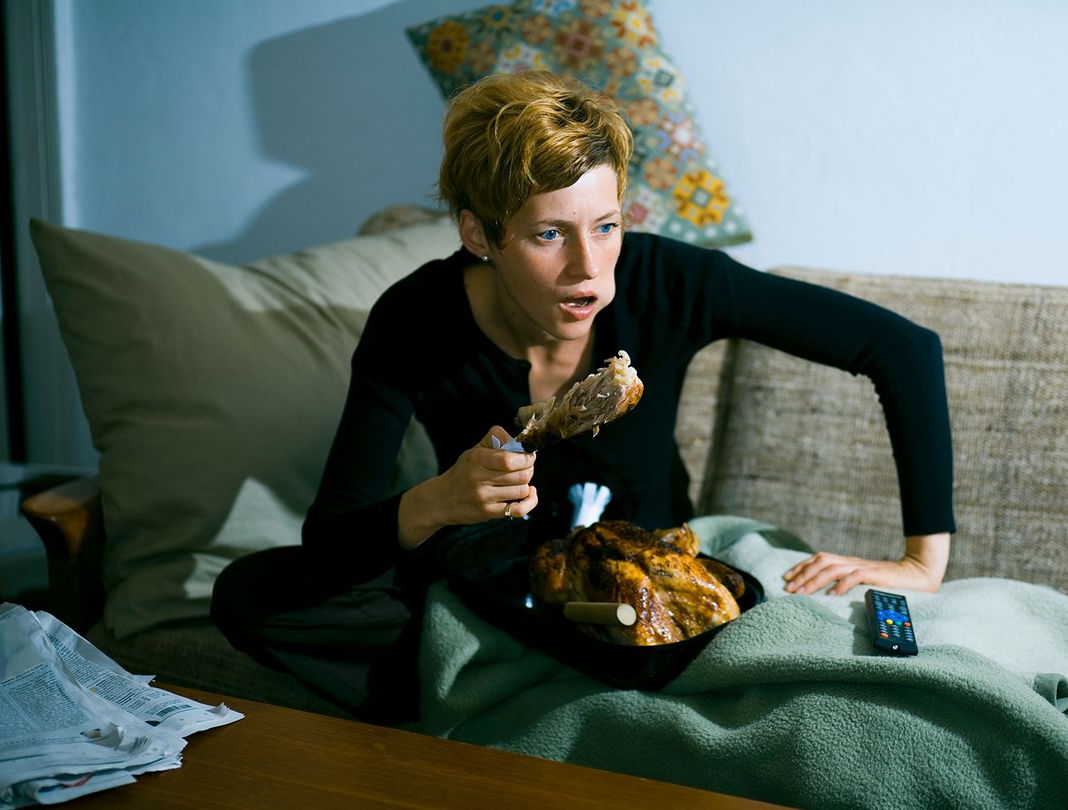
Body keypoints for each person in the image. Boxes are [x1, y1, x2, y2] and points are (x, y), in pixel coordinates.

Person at [211, 70, 954, 720]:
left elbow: (902, 347)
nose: (589, 271)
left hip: (645, 592)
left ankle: (500, 696)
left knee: (650, 638)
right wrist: (438, 501)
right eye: (547, 236)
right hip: (491, 586)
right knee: (247, 595)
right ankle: (531, 691)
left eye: (606, 226)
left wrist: (922, 562)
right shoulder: (415, 319)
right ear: (480, 234)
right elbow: (332, 538)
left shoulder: (670, 282)